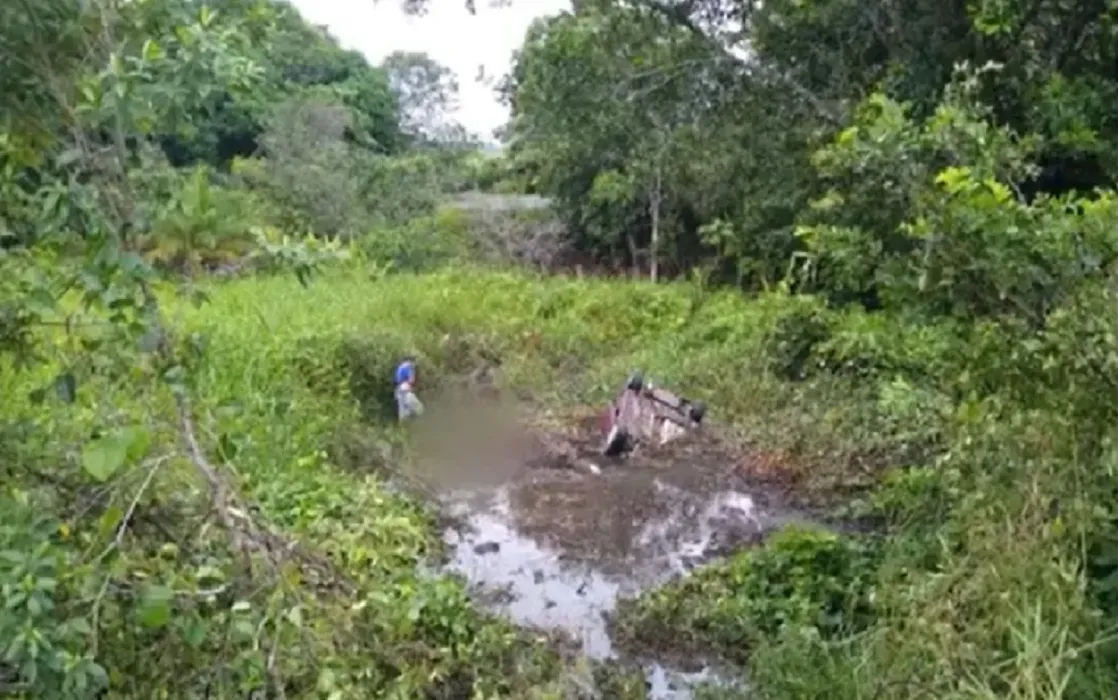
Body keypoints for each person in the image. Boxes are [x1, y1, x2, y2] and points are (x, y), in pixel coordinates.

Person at [393, 355, 424, 421]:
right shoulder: (409, 367)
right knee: (420, 409)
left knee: (403, 416)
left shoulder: (399, 368)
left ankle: (404, 430)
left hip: (398, 392)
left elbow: (395, 381)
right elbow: (411, 380)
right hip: (406, 391)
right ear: (411, 361)